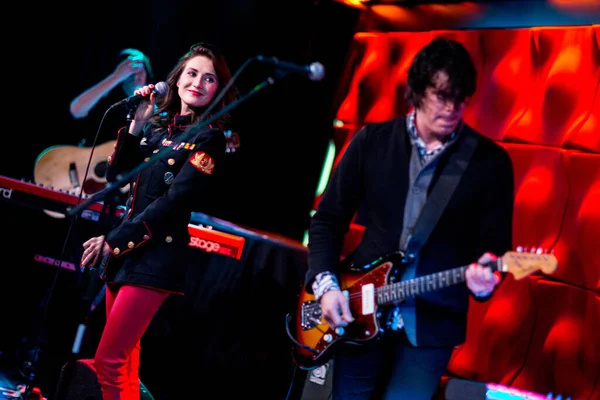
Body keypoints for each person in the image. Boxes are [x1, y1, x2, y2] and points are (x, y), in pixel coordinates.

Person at [305, 38, 515, 399]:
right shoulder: (373, 141)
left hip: (432, 323)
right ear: (418, 90)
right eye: (442, 95)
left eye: (461, 98)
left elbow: (493, 248)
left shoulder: (490, 163)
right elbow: (328, 220)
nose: (452, 107)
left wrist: (486, 278)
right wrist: (325, 285)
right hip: (358, 306)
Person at [79, 42, 238, 400]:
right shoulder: (157, 128)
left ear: (218, 90)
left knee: (109, 361)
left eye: (209, 78)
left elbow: (173, 202)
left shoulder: (208, 139)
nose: (197, 82)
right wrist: (136, 123)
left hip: (155, 258)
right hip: (126, 255)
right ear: (177, 78)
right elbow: (117, 175)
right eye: (192, 73)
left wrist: (114, 239)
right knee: (126, 363)